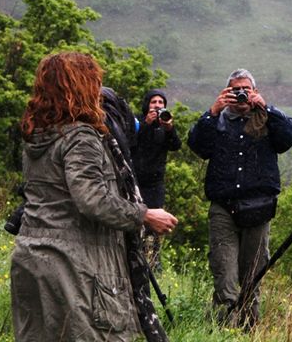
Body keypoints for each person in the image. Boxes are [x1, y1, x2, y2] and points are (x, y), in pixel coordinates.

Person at [10, 52, 178, 342]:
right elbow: (91, 198)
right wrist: (144, 215)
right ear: (80, 86)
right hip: (74, 266)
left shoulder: (37, 135)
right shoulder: (80, 137)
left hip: (30, 259)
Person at [187, 68, 292, 328]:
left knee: (253, 276)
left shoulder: (266, 119)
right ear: (226, 92)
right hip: (223, 208)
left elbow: (291, 135)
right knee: (224, 275)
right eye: (235, 90)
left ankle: (249, 330)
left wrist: (265, 107)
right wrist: (212, 111)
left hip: (259, 207)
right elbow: (197, 146)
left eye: (245, 90)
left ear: (254, 92)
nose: (240, 94)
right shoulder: (216, 121)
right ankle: (226, 330)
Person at [132, 88, 182, 270]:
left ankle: (153, 263)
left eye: (161, 103)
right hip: (136, 182)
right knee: (136, 221)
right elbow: (131, 142)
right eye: (154, 102)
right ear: (147, 104)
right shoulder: (137, 121)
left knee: (154, 225)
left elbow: (176, 145)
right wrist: (146, 123)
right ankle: (134, 259)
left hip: (155, 184)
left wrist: (169, 128)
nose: (157, 106)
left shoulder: (165, 125)